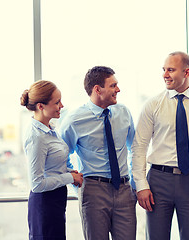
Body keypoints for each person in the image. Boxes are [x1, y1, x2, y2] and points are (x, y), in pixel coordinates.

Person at [132, 51, 189, 240]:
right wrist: (141, 185)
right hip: (158, 181)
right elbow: (139, 147)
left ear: (186, 72)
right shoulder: (153, 105)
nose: (165, 74)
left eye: (171, 70)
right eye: (164, 69)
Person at [59, 66, 136, 240]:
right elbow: (61, 158)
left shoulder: (123, 112)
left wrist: (134, 182)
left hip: (124, 189)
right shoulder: (74, 120)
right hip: (94, 191)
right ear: (97, 89)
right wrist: (76, 183)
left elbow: (136, 149)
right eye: (113, 85)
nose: (118, 89)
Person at [21, 80, 84, 240]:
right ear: (41, 106)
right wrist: (70, 178)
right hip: (44, 204)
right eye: (57, 102)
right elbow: (37, 184)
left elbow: (51, 166)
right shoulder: (36, 137)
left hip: (55, 201)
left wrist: (70, 171)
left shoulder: (50, 129)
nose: (61, 106)